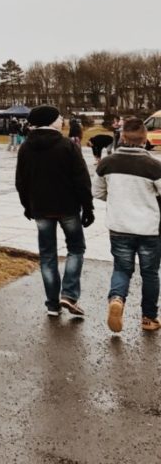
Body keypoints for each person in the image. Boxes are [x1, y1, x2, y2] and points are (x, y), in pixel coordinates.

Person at [16, 104, 94, 317]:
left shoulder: (25, 147)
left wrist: (27, 205)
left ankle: (52, 303)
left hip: (41, 208)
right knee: (76, 248)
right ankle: (68, 294)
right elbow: (82, 180)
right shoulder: (67, 146)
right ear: (51, 120)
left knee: (47, 255)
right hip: (67, 206)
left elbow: (21, 182)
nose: (62, 121)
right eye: (59, 118)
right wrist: (88, 207)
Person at [92, 118, 161, 333]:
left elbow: (97, 192)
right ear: (145, 139)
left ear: (121, 137)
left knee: (122, 268)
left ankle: (117, 298)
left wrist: (118, 198)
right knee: (150, 273)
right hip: (149, 228)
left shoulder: (107, 163)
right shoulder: (154, 166)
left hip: (119, 226)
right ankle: (148, 317)